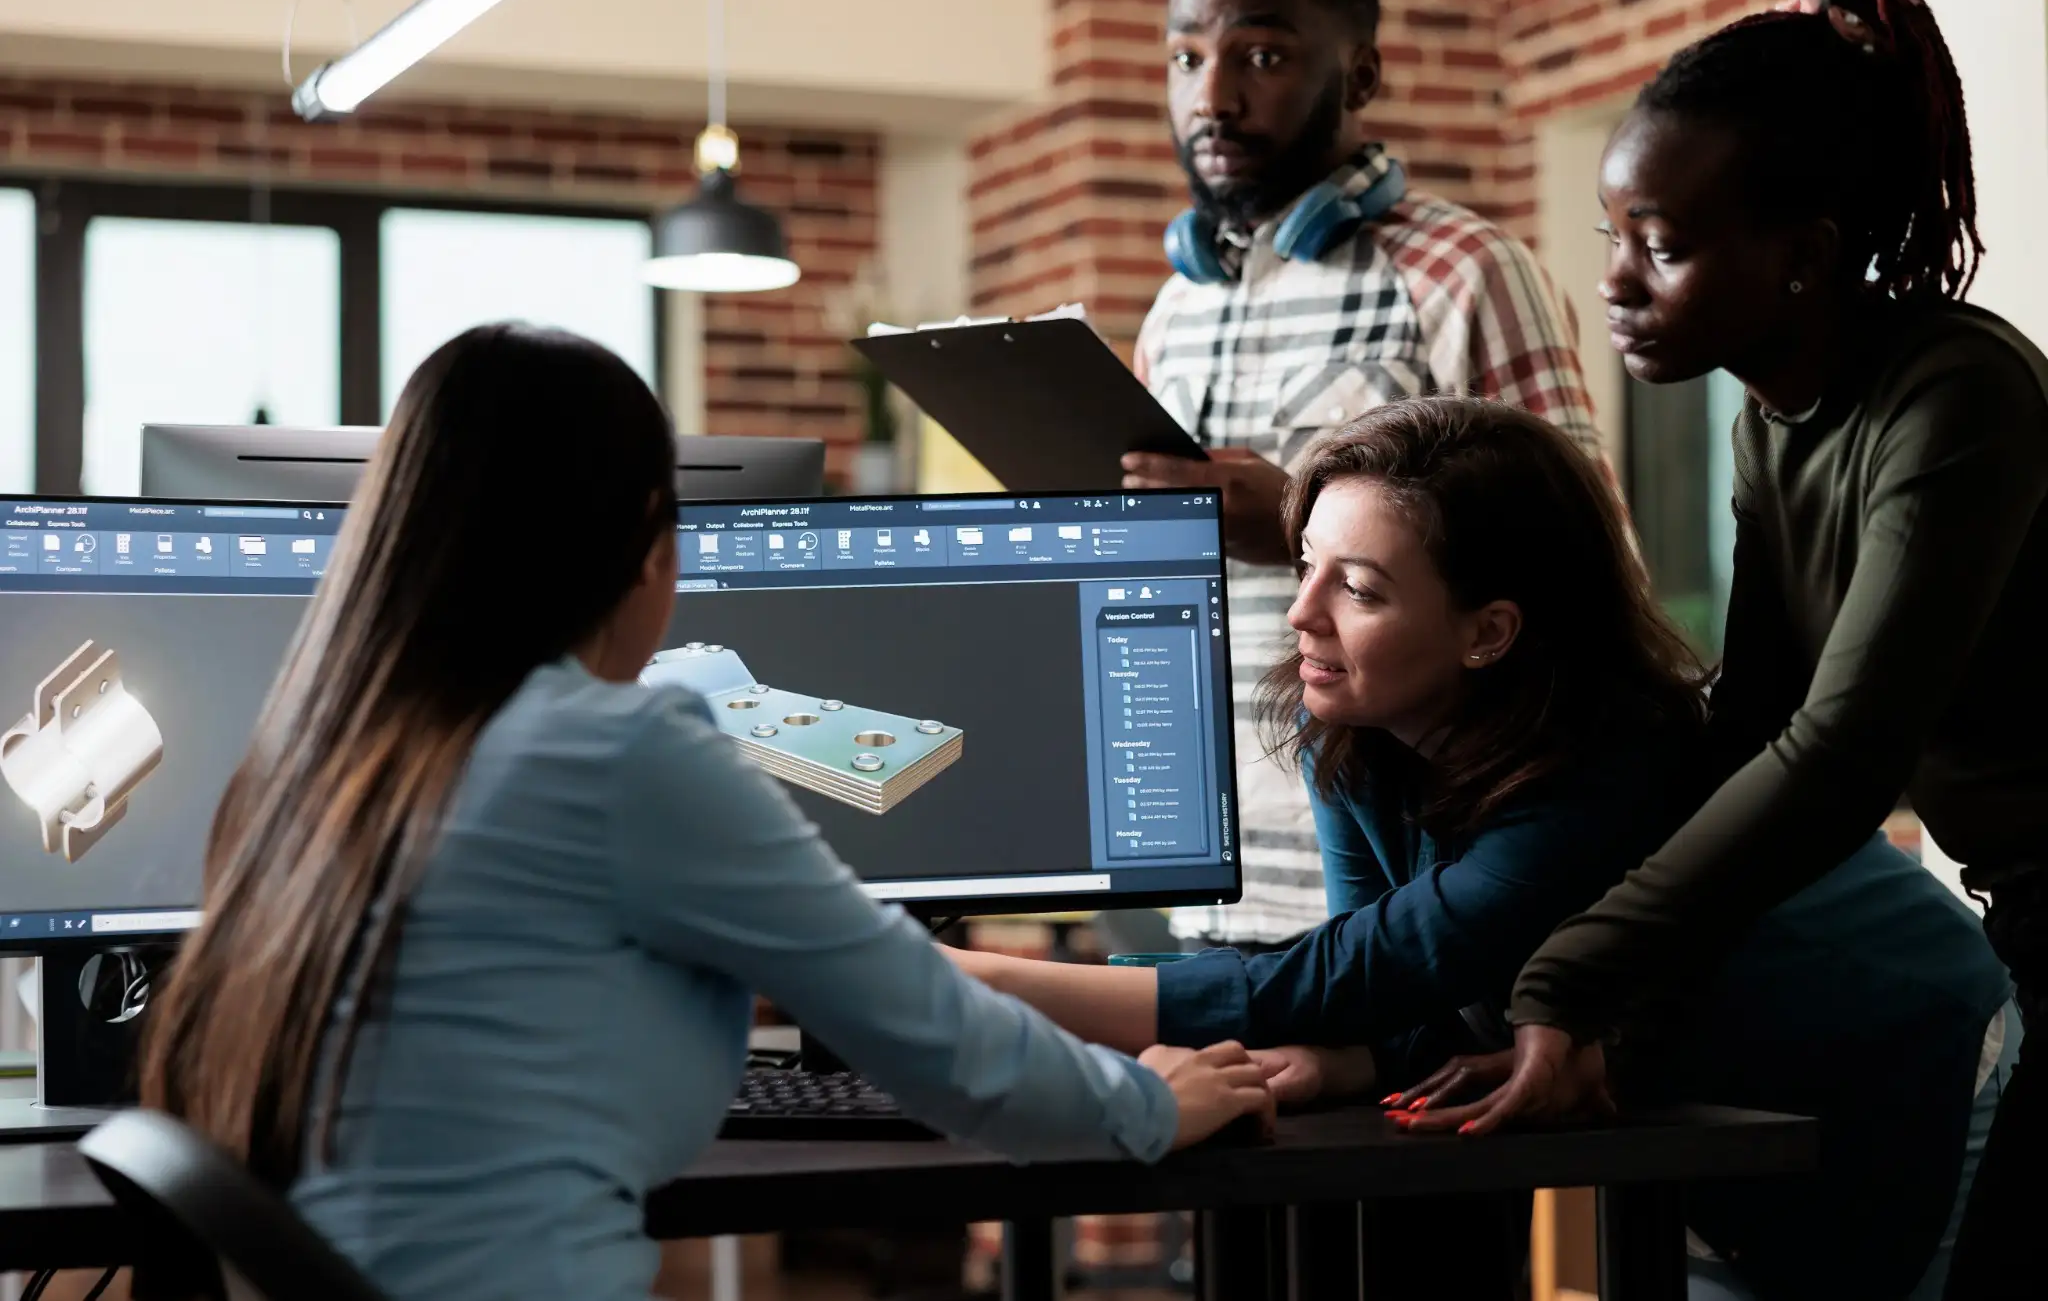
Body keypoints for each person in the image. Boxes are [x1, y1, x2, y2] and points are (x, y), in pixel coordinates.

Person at [134, 324, 1275, 1301]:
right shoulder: (614, 746)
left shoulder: (310, 756)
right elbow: (944, 1047)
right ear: (646, 547)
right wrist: (1147, 1103)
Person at [951, 397, 2014, 1299]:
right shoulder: (1364, 739)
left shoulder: (1601, 773)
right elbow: (1386, 980)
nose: (1301, 614)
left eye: (1357, 589)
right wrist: (1353, 1051)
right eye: (1307, 565)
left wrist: (967, 981)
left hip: (1905, 1055)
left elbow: (1355, 972)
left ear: (1488, 631)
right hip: (1694, 1092)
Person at [1378, 0, 2047, 1300]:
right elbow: (1747, 720)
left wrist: (1569, 975)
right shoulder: (1771, 414)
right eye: (1613, 237)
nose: (1618, 282)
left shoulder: (1954, 396)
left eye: (1664, 246)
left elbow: (1843, 752)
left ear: (1801, 257)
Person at [1118, 0, 1606, 959]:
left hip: (1405, 887)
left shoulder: (1465, 272)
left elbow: (1582, 573)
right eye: (1183, 59)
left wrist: (1291, 517)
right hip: (1202, 883)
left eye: (1258, 56)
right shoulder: (1173, 312)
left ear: (1361, 74)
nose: (1210, 98)